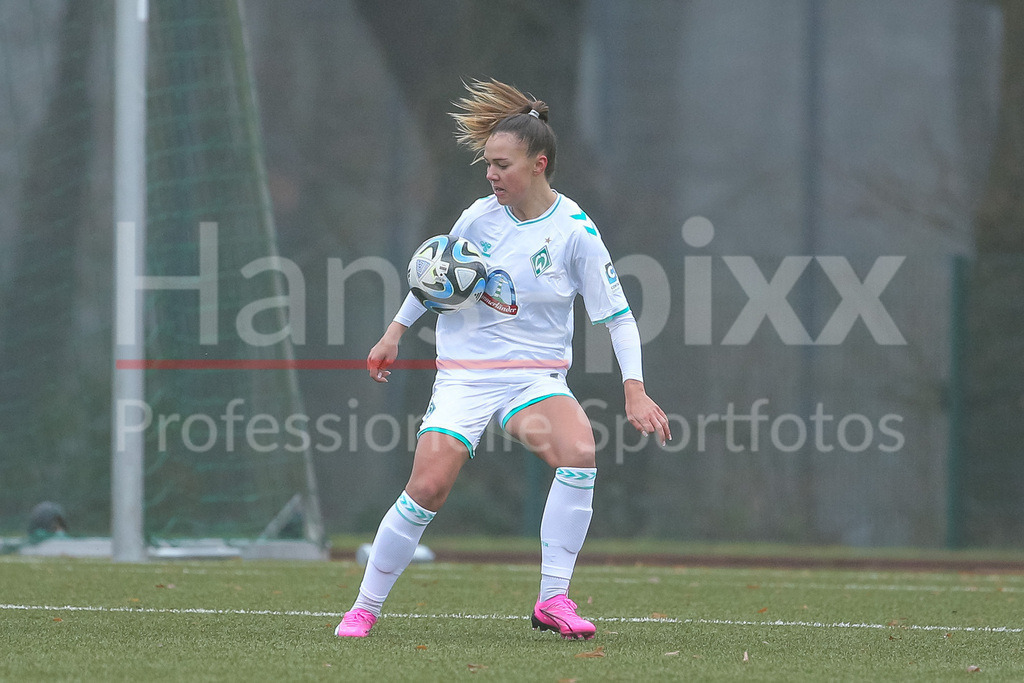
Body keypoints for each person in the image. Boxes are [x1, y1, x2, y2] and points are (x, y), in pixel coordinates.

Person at [336, 78, 671, 640]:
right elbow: (437, 278)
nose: (491, 175)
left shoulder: (576, 234)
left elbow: (618, 317)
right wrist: (394, 332)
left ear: (538, 164)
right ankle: (365, 607)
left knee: (579, 452)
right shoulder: (477, 217)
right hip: (465, 377)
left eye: (502, 165)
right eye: (488, 164)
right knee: (428, 488)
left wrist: (634, 388)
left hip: (532, 379)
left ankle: (553, 601)